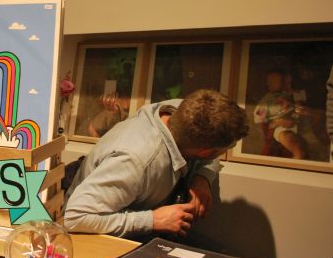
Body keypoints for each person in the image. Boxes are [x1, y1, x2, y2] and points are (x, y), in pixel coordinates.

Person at [63, 89, 248, 239]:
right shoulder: (135, 162)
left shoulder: (183, 111)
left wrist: (202, 178)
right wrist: (153, 220)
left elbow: (209, 148)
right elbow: (75, 217)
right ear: (205, 152)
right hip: (89, 224)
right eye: (227, 148)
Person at [253, 69, 306, 159]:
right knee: (287, 138)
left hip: (299, 123)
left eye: (275, 80)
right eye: (269, 81)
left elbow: (302, 104)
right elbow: (259, 117)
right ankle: (297, 157)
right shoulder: (267, 100)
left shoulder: (293, 93)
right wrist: (275, 122)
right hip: (281, 128)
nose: (270, 83)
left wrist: (297, 102)